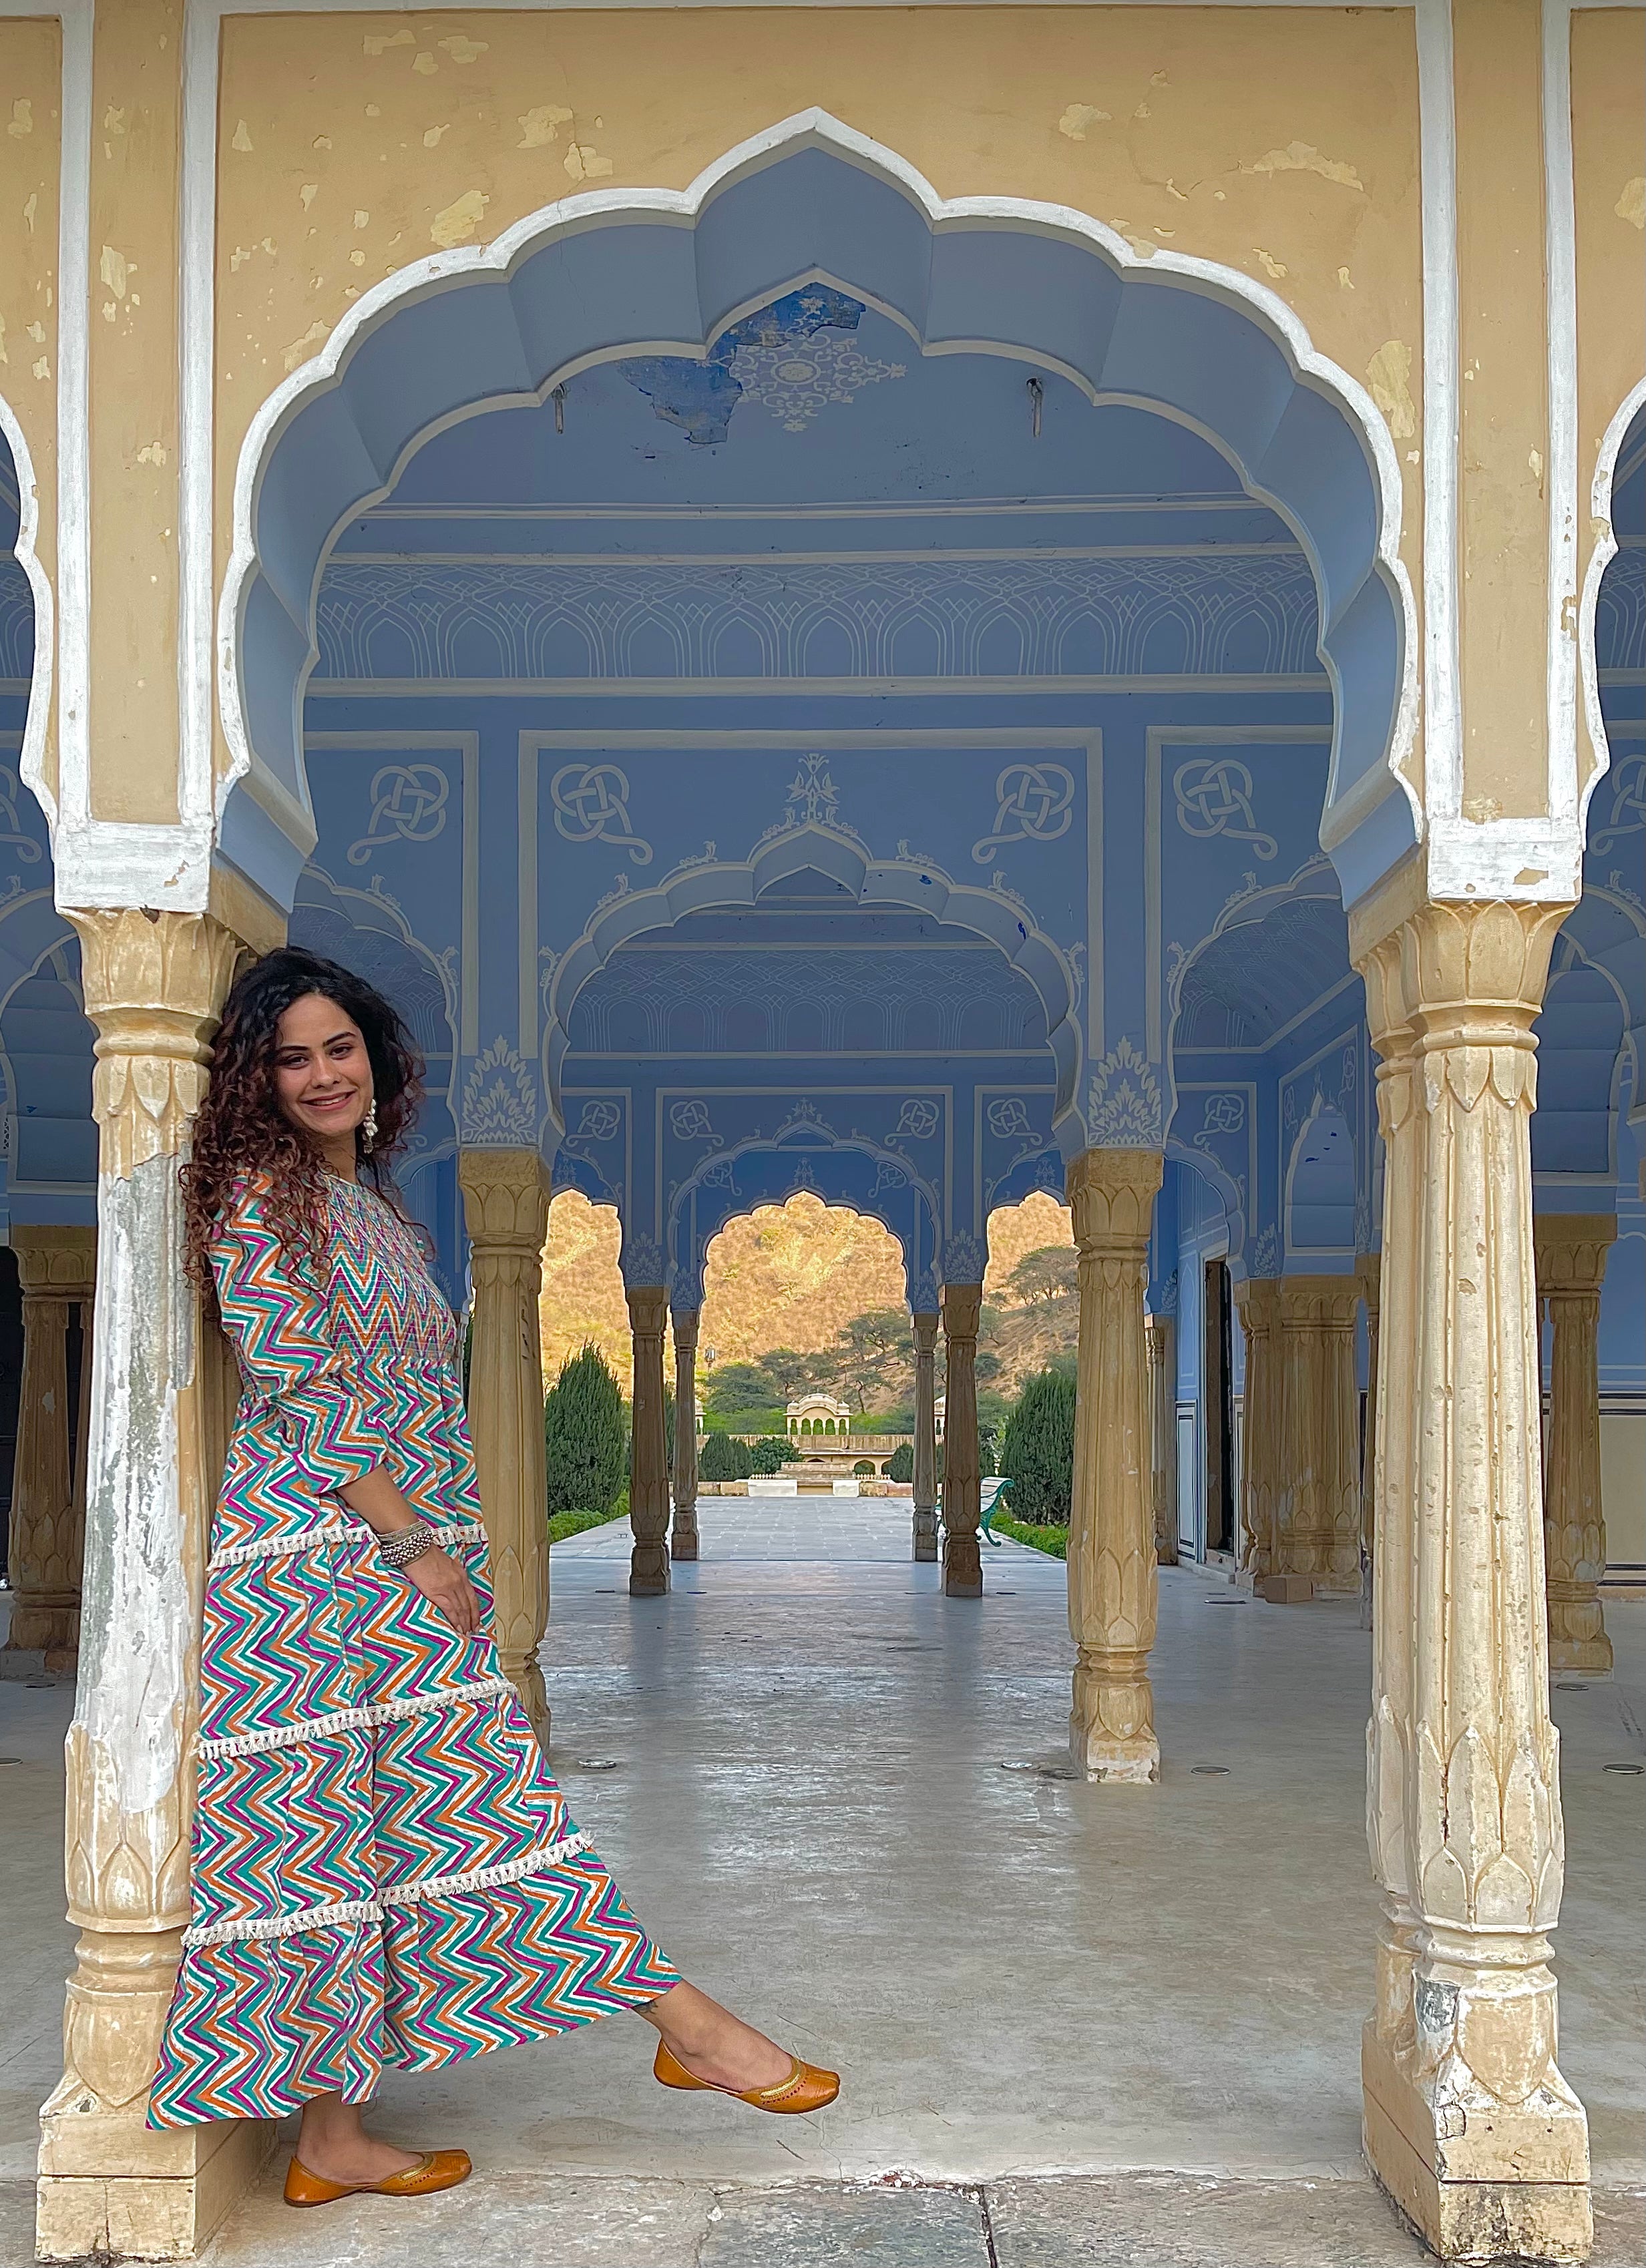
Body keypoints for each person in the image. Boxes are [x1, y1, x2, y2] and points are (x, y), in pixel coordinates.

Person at [151, 947, 836, 2207]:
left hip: (385, 1546)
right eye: (291, 1056)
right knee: (471, 1810)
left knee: (373, 1833)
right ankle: (688, 2028)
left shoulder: (372, 1206)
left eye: (337, 1047)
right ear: (258, 1077)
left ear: (377, 1057)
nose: (319, 1075)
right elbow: (302, 1387)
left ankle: (330, 2141)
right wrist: (412, 1545)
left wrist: (430, 1541)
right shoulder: (258, 1194)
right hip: (321, 1559)